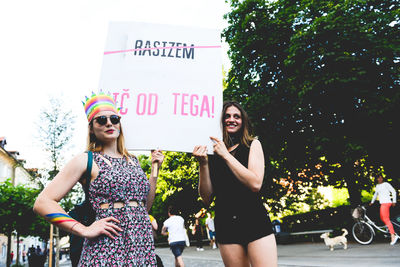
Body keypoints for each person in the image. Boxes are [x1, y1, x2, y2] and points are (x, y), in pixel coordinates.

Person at [33, 92, 164, 266]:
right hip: (107, 246)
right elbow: (43, 202)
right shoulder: (86, 160)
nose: (109, 123)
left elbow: (144, 207)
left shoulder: (134, 160)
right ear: (91, 127)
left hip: (141, 245)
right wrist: (83, 229)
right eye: (101, 119)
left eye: (114, 118)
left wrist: (155, 170)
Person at [193, 100, 278, 267]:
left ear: (243, 121)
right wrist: (203, 164)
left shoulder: (253, 145)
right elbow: (206, 198)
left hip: (254, 220)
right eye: (227, 116)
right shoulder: (211, 154)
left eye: (236, 116)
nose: (232, 119)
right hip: (226, 224)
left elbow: (255, 183)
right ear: (220, 120)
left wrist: (226, 156)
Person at [369, 174, 398, 245]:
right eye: (379, 178)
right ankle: (389, 229)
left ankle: (393, 235)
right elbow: (375, 194)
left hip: (387, 203)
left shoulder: (386, 184)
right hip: (382, 203)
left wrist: (394, 201)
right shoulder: (377, 186)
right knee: (382, 218)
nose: (380, 179)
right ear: (376, 179)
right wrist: (372, 202)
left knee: (386, 219)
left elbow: (393, 191)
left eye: (381, 178)